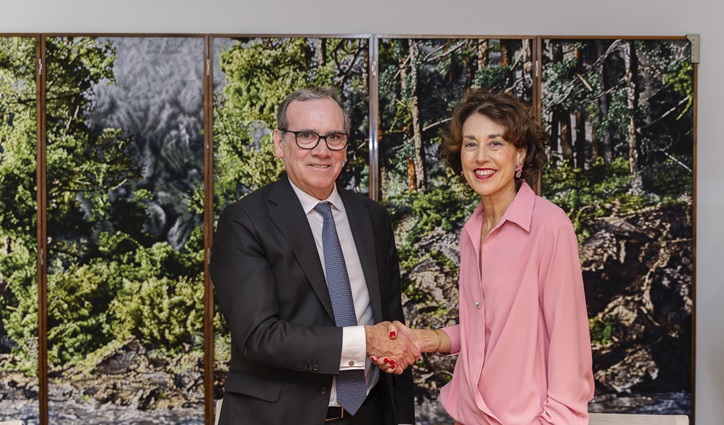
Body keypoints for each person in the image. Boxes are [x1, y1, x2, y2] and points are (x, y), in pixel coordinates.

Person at [373, 89, 595, 424]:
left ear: (520, 155)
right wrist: (425, 339)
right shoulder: (471, 231)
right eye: (470, 144)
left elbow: (570, 349)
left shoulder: (550, 227)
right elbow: (486, 330)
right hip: (465, 416)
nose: (481, 157)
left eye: (495, 143)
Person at [210, 87, 418, 425]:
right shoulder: (244, 221)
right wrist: (363, 342)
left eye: (334, 137)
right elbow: (258, 336)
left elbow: (394, 330)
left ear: (345, 147)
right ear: (279, 143)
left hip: (369, 414)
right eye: (306, 136)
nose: (322, 151)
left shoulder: (372, 217)